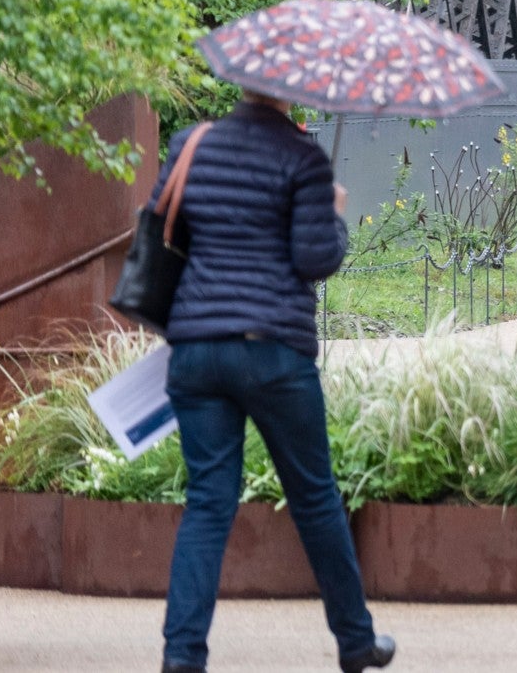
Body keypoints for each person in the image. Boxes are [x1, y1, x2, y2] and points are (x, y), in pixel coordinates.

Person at [154, 90, 396, 673]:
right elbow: (314, 259)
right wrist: (334, 215)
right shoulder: (301, 158)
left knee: (208, 503)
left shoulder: (192, 144)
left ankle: (182, 656)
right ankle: (356, 643)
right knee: (314, 496)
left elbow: (165, 220)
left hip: (196, 346)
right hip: (273, 351)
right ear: (292, 91)